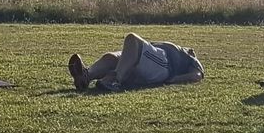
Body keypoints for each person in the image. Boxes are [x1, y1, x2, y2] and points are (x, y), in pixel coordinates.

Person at [68, 34, 205, 91]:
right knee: (112, 57)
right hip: (153, 59)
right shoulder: (178, 51)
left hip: (164, 64)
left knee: (132, 39)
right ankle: (87, 75)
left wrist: (174, 79)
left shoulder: (189, 56)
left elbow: (197, 75)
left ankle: (115, 80)